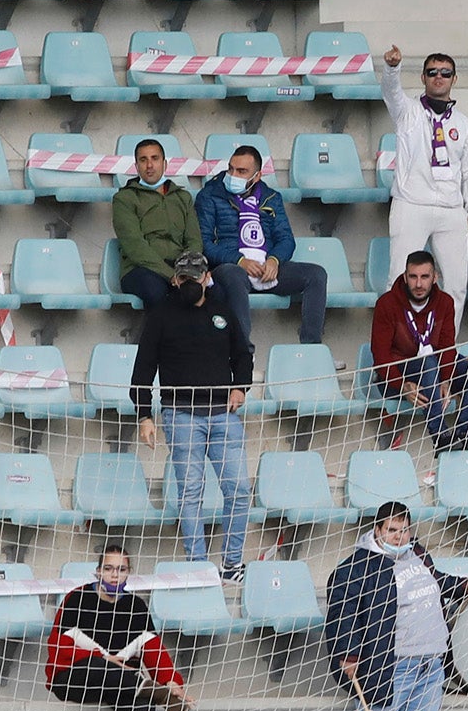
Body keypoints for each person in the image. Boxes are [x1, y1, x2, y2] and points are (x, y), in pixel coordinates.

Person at [130, 250, 254, 580]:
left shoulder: (223, 311)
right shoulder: (160, 315)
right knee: (190, 494)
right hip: (181, 416)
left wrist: (241, 387)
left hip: (223, 415)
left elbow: (243, 355)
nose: (189, 283)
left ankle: (231, 564)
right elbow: (142, 370)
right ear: (175, 279)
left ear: (206, 278)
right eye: (183, 278)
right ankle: (198, 566)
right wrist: (144, 415)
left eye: (195, 277)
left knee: (240, 490)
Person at [325, 502, 468, 711]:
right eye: (392, 530)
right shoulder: (356, 567)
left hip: (431, 662)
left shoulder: (417, 553)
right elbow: (344, 614)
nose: (399, 536)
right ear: (377, 530)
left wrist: (461, 585)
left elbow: (434, 580)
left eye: (404, 530)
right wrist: (348, 654)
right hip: (393, 664)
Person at [45, 545, 192, 711]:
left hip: (118, 685)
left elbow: (152, 647)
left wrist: (172, 681)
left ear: (129, 573)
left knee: (144, 703)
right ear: (98, 571)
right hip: (75, 679)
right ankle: (153, 689)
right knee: (99, 665)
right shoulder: (76, 599)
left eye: (121, 569)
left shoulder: (135, 606)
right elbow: (59, 646)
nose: (115, 575)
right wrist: (102, 658)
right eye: (109, 569)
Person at [381, 45, 468, 333]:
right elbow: (390, 92)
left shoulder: (462, 123)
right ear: (423, 77)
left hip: (451, 209)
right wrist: (392, 68)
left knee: (455, 285)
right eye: (432, 72)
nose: (439, 77)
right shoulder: (407, 111)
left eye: (445, 73)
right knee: (399, 278)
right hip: (411, 204)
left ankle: (442, 347)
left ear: (454, 79)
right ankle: (397, 349)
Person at [194, 144, 328, 352]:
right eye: (231, 169)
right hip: (230, 265)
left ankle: (312, 348)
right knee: (235, 276)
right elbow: (204, 244)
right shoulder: (209, 195)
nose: (233, 175)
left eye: (241, 171)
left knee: (316, 274)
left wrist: (274, 260)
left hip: (265, 266)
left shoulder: (271, 197)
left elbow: (286, 239)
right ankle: (243, 352)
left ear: (257, 176)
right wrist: (240, 260)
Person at [372, 249, 468, 450]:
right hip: (397, 378)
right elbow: (381, 357)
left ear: (435, 277)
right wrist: (402, 385)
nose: (418, 284)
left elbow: (447, 346)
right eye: (413, 277)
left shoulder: (445, 302)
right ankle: (441, 437)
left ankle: (465, 432)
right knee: (429, 362)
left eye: (425, 277)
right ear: (405, 277)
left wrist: (446, 378)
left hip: (433, 370)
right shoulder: (387, 304)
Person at [113, 137, 203, 310]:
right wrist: (171, 275)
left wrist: (188, 271)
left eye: (155, 159)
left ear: (165, 164)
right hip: (140, 269)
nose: (149, 165)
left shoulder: (182, 197)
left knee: (213, 291)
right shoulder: (124, 198)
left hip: (179, 267)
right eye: (143, 160)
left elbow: (194, 240)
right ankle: (161, 338)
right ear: (136, 166)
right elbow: (135, 246)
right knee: (158, 292)